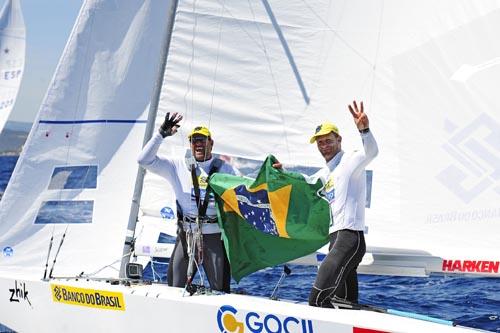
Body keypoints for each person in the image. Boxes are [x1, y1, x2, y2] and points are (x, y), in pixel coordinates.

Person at [274, 100, 378, 307]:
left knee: (318, 298)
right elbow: (306, 181)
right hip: (336, 239)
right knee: (344, 302)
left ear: (338, 139)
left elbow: (371, 152)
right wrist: (282, 172)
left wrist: (364, 130)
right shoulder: (326, 173)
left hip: (349, 238)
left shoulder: (351, 159)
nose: (324, 146)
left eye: (328, 141)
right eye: (320, 143)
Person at [137, 112, 236, 292]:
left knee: (220, 290)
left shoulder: (226, 169)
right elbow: (143, 160)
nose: (198, 144)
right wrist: (161, 134)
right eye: (194, 140)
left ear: (211, 143)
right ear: (190, 144)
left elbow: (248, 191)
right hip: (186, 236)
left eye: (203, 140)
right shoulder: (177, 166)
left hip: (213, 236)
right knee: (173, 287)